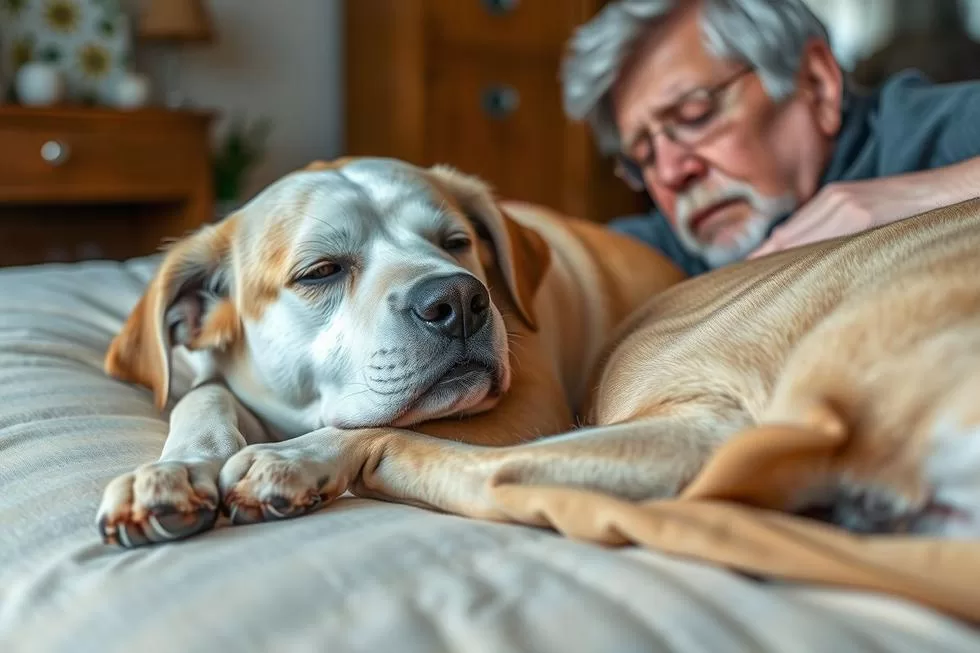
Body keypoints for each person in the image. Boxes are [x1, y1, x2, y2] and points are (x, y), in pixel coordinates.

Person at [560, 0, 980, 276]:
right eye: (643, 156)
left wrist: (924, 199)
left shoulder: (928, 130)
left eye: (695, 115)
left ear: (816, 84)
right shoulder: (668, 250)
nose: (670, 172)